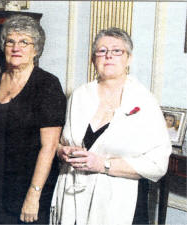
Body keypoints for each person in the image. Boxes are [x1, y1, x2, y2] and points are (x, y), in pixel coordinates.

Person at [50, 27, 172, 225]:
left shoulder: (144, 101)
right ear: (93, 59)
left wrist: (103, 164)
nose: (108, 56)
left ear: (129, 59)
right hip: (73, 196)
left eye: (117, 51)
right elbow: (61, 142)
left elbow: (157, 164)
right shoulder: (79, 95)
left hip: (120, 202)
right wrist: (62, 151)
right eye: (101, 51)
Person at [0, 15, 67, 224]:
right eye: (10, 41)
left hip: (27, 188)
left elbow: (50, 146)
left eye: (24, 42)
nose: (16, 47)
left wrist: (33, 195)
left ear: (36, 49)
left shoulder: (47, 85)